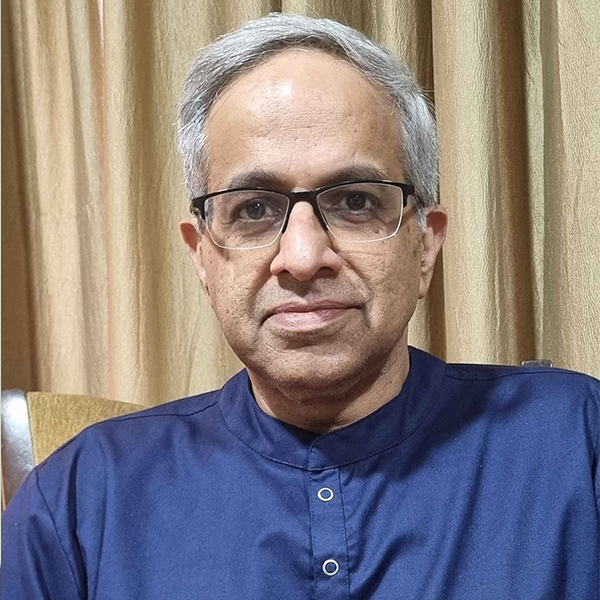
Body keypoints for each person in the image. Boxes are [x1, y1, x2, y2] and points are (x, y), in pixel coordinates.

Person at [2, 12, 598, 599]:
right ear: (202, 258)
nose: (304, 257)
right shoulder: (80, 500)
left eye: (356, 202)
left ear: (425, 246)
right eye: (254, 208)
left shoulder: (577, 443)